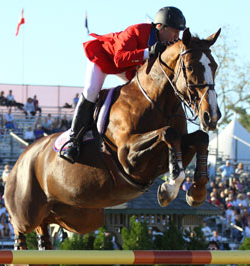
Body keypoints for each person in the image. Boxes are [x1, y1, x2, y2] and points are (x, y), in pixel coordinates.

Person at [60, 6, 186, 163]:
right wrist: (149, 52)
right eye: (174, 31)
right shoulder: (137, 31)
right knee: (92, 91)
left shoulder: (168, 43)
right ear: (160, 26)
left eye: (179, 32)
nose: (176, 36)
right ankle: (73, 141)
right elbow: (119, 59)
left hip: (129, 68)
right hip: (105, 57)